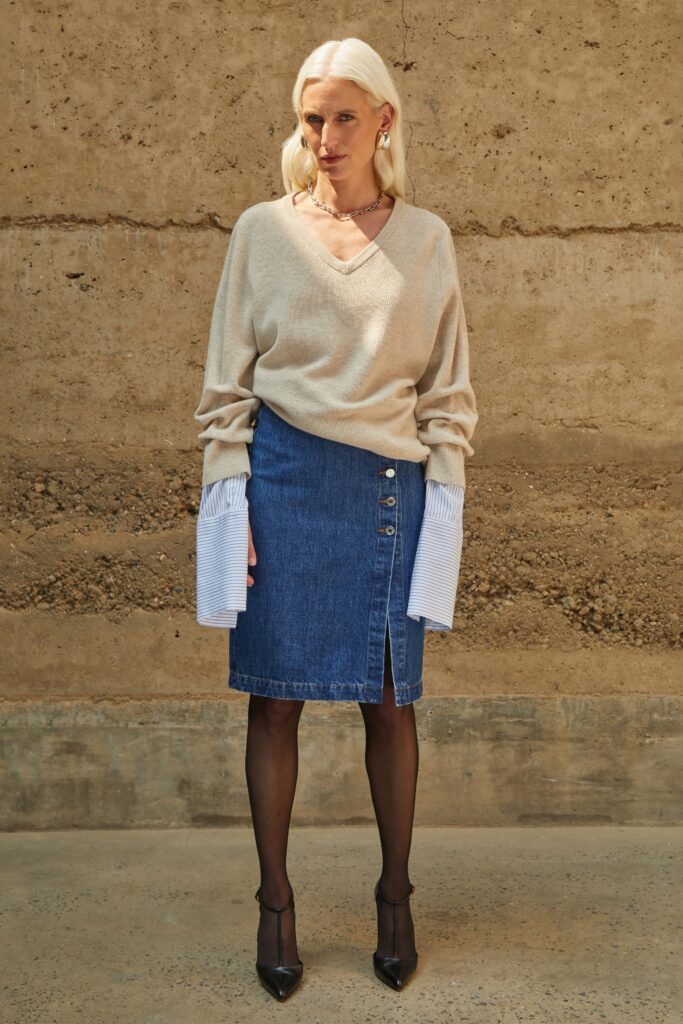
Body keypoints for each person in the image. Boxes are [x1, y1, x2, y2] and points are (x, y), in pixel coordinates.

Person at [193, 37, 479, 1001]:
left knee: (389, 703)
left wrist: (443, 520)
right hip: (281, 483)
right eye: (312, 118)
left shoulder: (427, 240)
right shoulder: (260, 233)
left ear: (384, 121)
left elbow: (447, 394)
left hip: (389, 494)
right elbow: (226, 387)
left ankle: (393, 896)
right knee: (274, 700)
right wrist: (233, 517)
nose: (325, 137)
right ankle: (275, 904)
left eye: (345, 117)